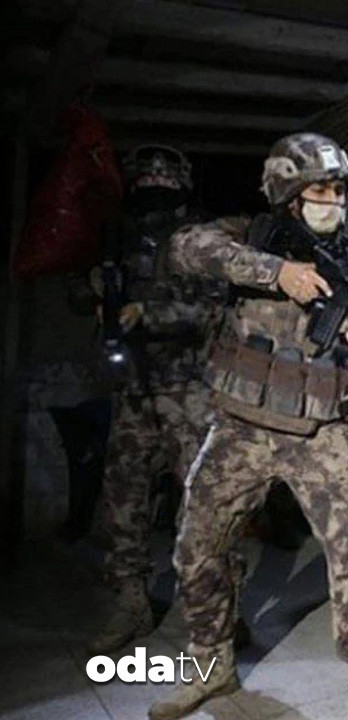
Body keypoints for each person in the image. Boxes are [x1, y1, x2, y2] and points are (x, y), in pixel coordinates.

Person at [150, 133, 348, 720]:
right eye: (319, 190)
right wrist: (276, 272)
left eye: (338, 191)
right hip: (241, 426)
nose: (333, 202)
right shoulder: (251, 237)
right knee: (196, 548)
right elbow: (184, 248)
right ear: (288, 194)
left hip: (322, 432)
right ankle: (210, 667)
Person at [89, 145, 226, 654]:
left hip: (188, 390)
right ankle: (131, 602)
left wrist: (148, 314)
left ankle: (215, 610)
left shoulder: (199, 238)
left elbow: (212, 309)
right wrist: (95, 291)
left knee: (205, 505)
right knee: (124, 501)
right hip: (134, 389)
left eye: (162, 181)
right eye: (146, 181)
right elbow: (82, 294)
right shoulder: (120, 236)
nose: (154, 188)